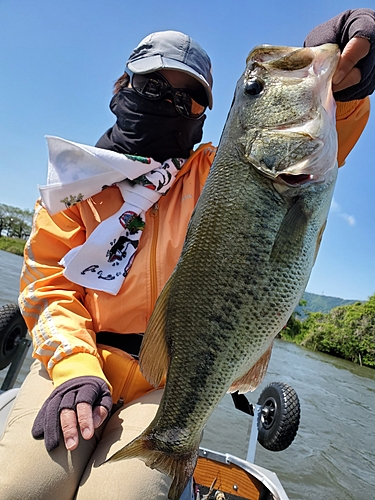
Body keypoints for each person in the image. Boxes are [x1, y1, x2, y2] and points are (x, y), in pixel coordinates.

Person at [0, 8, 374, 500]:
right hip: (75, 366)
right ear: (121, 87)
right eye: (154, 87)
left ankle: (174, 445)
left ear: (205, 115)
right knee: (23, 489)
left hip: (168, 384)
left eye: (189, 100)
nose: (170, 104)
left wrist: (344, 93)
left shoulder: (220, 176)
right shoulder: (72, 187)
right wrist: (75, 372)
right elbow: (48, 287)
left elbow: (314, 144)